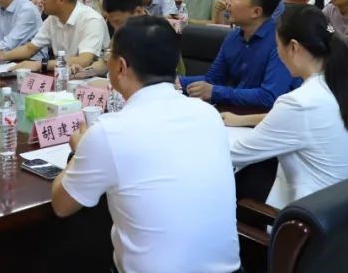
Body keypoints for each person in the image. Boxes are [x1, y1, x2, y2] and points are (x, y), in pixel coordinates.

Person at [52, 17, 240, 273]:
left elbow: (62, 206)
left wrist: (79, 150)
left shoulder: (109, 132)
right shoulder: (208, 115)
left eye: (108, 55)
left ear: (120, 66)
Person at [223, 6, 348, 208]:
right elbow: (300, 121)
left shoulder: (298, 103)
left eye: (277, 45)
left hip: (309, 216)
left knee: (234, 180)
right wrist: (242, 120)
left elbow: (234, 154)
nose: (277, 52)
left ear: (293, 47)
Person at [178, 0, 295, 109]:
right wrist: (174, 82)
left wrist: (215, 92)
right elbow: (213, 80)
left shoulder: (281, 43)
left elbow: (269, 97)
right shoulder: (233, 38)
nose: (227, 2)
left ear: (256, 12)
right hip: (232, 113)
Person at [0, 0, 110, 72]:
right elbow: (30, 48)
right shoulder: (52, 19)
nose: (40, 1)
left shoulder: (91, 20)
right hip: (63, 76)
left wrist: (40, 65)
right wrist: (3, 56)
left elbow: (83, 60)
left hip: (91, 80)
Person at [73, 0, 187, 78]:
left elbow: (161, 78)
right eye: (112, 24)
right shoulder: (122, 31)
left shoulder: (159, 34)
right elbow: (106, 62)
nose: (116, 29)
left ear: (138, 12)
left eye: (118, 22)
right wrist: (86, 71)